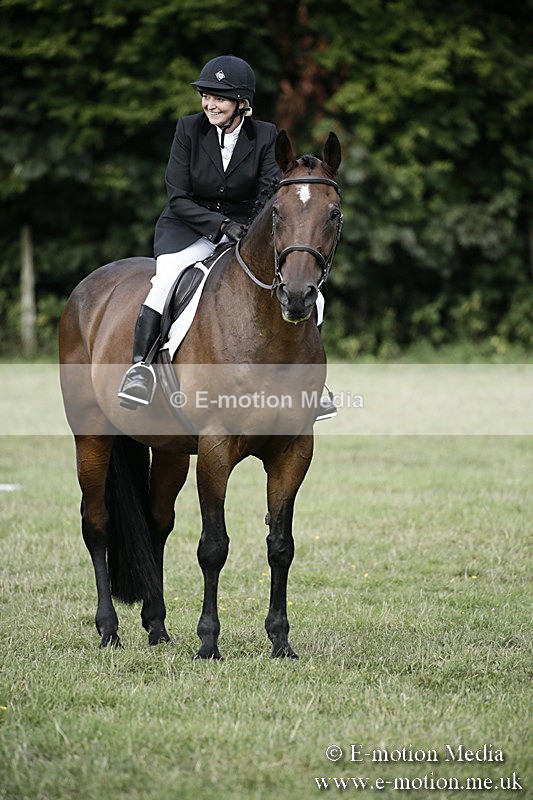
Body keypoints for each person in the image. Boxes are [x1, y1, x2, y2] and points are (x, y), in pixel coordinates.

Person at [118, 54, 336, 420]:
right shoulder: (188, 130)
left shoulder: (265, 135)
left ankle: (311, 382)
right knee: (165, 282)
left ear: (241, 103)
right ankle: (140, 369)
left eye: (219, 97)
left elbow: (269, 192)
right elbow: (178, 197)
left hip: (245, 233)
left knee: (317, 297)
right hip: (187, 230)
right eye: (206, 96)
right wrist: (219, 225)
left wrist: (246, 229)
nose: (210, 104)